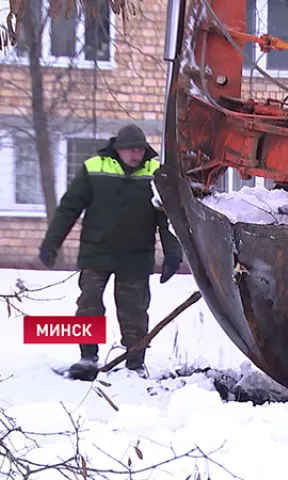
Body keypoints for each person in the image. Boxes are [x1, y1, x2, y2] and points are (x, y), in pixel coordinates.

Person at [38, 123, 183, 380]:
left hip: (136, 257)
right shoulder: (94, 168)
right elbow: (69, 208)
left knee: (134, 310)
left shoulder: (156, 174)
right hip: (97, 253)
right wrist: (52, 243)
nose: (135, 155)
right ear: (118, 149)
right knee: (88, 303)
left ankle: (135, 362)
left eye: (139, 150)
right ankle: (87, 357)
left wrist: (173, 254)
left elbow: (166, 218)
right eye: (130, 150)